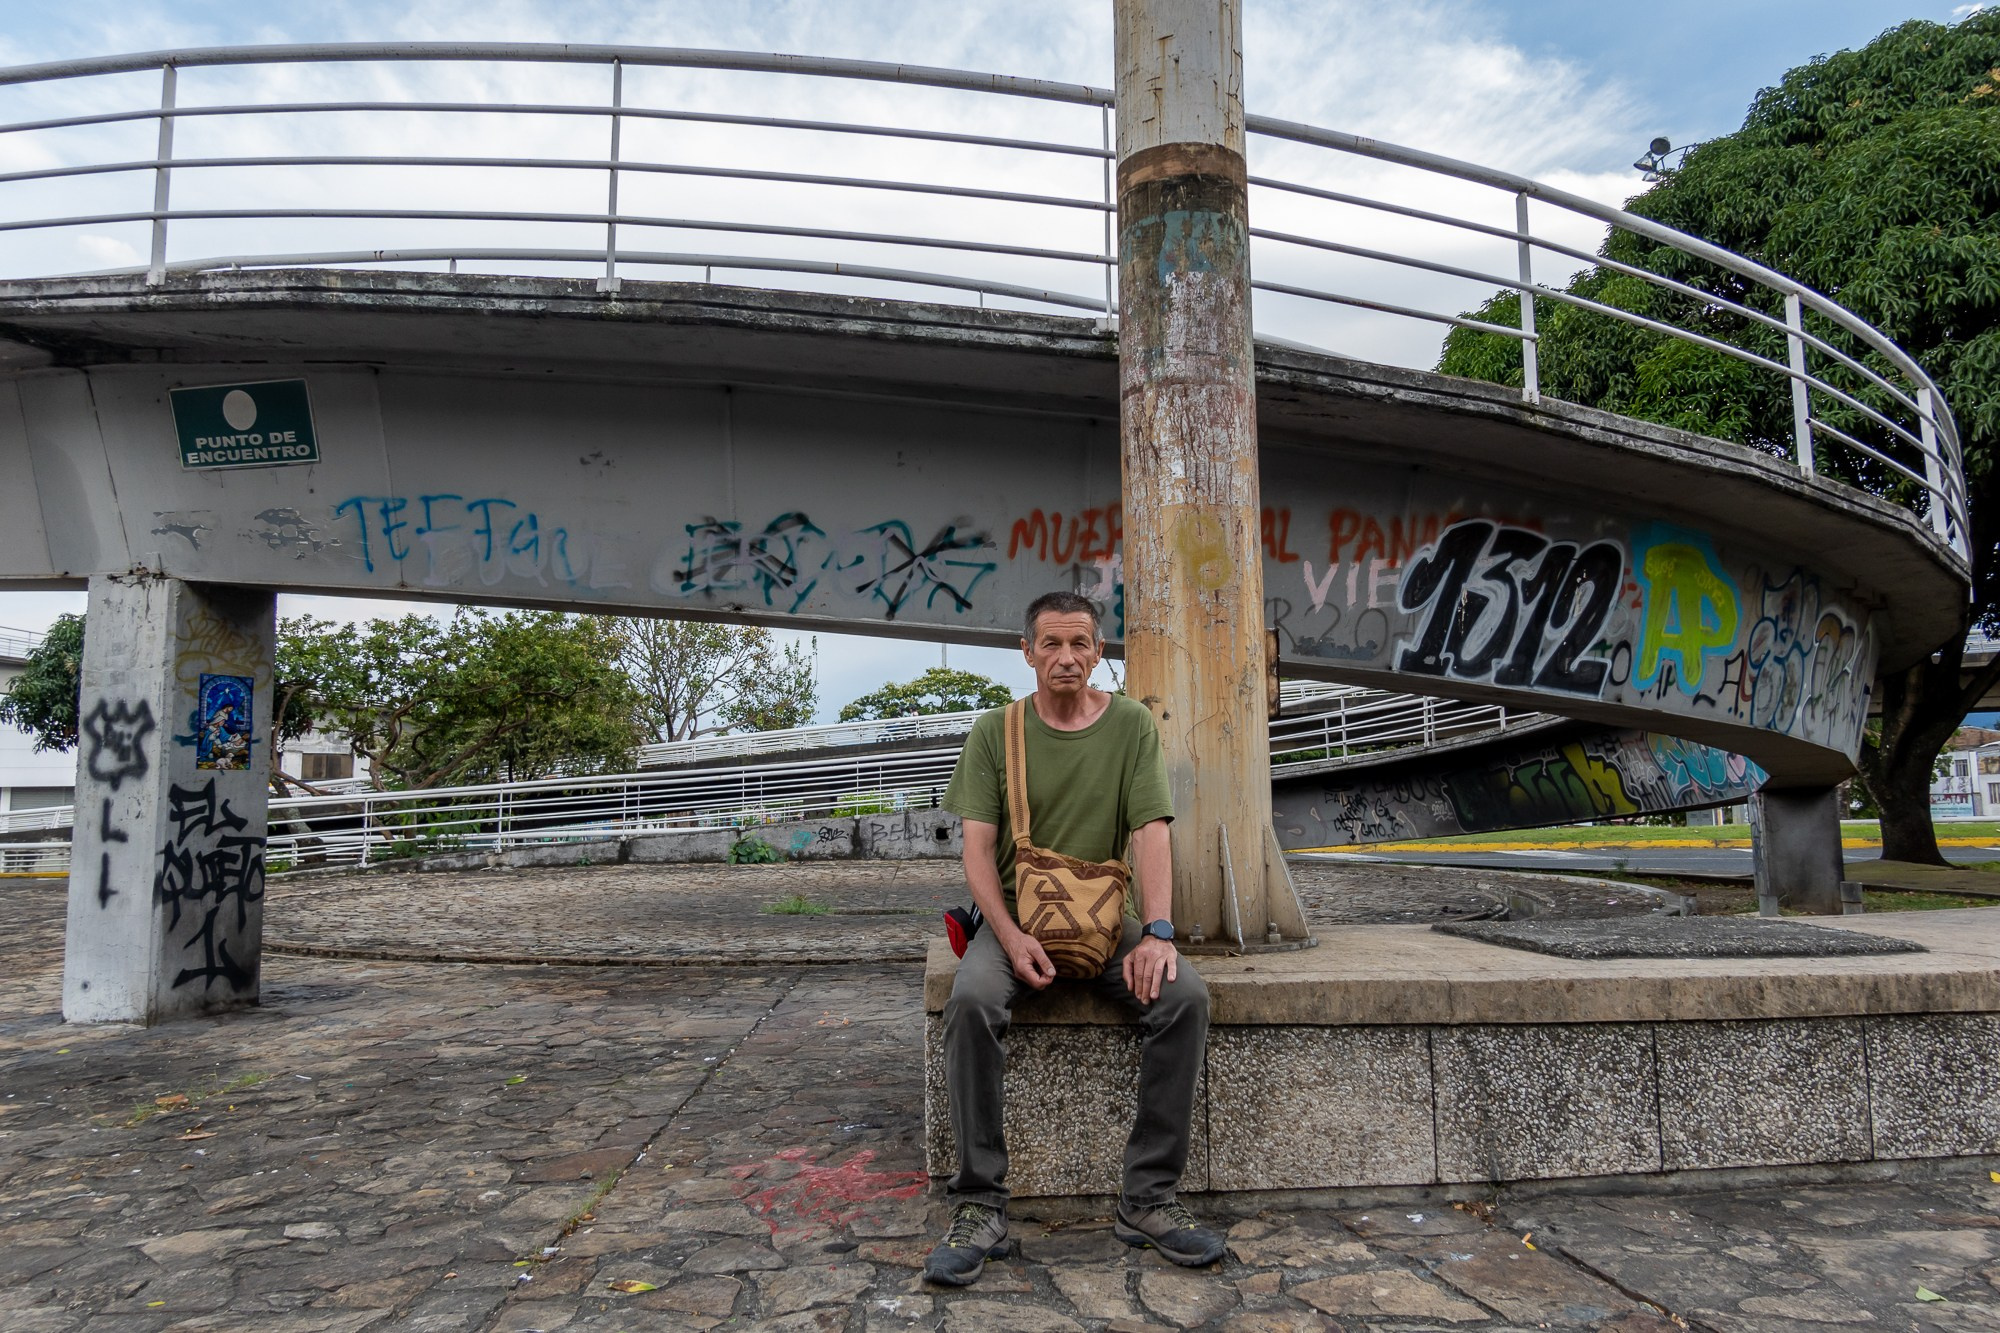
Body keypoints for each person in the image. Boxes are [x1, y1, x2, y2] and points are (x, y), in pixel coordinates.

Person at [924, 591, 1222, 1286]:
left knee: (1184, 997)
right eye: (1051, 644)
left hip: (1102, 920)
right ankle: (979, 1205)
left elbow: (1152, 831)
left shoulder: (1131, 728)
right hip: (1016, 923)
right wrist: (1008, 934)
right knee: (971, 1001)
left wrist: (1155, 932)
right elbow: (977, 850)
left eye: (1080, 643)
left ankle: (1148, 1200)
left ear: (1098, 651)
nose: (1066, 657)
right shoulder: (996, 732)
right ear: (1026, 652)